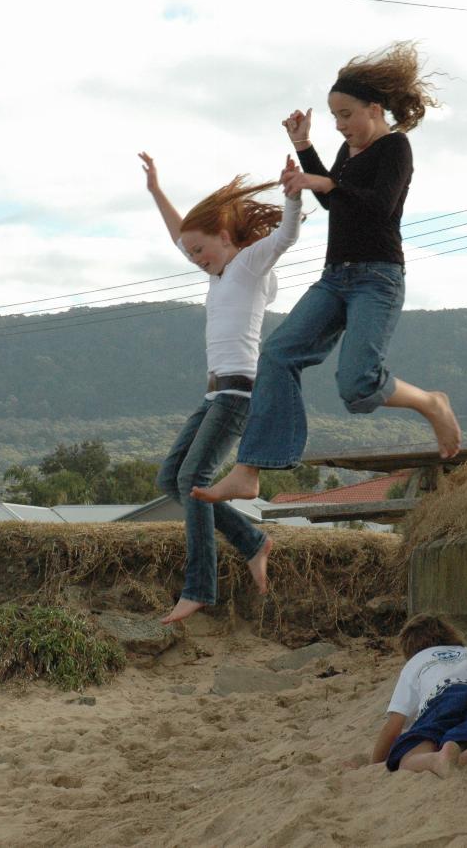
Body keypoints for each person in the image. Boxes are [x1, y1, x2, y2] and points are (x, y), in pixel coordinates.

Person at [192, 41, 461, 506]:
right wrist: (305, 151)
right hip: (335, 278)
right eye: (334, 117)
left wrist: (327, 180)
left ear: (374, 109)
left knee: (357, 385)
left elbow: (378, 206)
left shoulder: (396, 147)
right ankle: (249, 469)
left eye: (346, 115)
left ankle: (431, 402)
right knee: (276, 356)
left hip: (378, 277)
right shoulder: (347, 151)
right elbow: (334, 200)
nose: (340, 125)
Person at [139, 151, 303, 624]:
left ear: (226, 239)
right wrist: (156, 191)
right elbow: (180, 234)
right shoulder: (217, 273)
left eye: (199, 250)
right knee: (171, 480)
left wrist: (292, 197)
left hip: (239, 393)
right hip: (214, 394)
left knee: (194, 482)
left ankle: (199, 587)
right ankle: (252, 540)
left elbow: (287, 235)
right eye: (190, 254)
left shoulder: (249, 265)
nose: (194, 258)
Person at [370, 613, 467, 779]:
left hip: (442, 697)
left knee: (409, 758)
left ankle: (434, 760)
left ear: (409, 648)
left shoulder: (415, 662)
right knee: (465, 747)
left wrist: (374, 765)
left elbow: (393, 727)